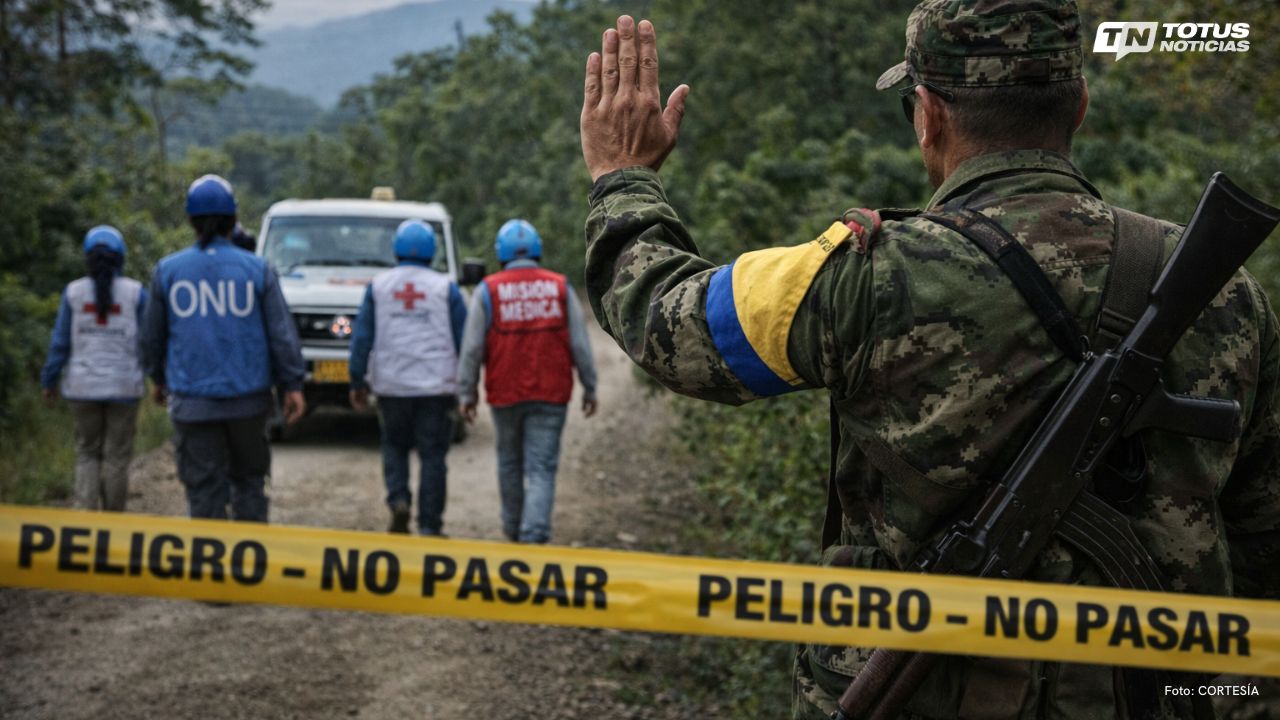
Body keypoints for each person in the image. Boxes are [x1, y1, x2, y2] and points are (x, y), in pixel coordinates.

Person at [579, 7, 1279, 720]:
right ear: (1080, 106)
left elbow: (664, 319)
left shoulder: (868, 276)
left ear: (929, 116)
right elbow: (1263, 542)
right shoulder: (1229, 294)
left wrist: (622, 177)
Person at [143, 174, 306, 522]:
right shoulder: (257, 269)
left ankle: (209, 554)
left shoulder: (168, 271)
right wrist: (292, 384)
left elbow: (153, 337)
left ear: (191, 220)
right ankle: (249, 553)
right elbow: (281, 334)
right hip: (249, 403)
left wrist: (158, 378)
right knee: (249, 484)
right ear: (233, 219)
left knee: (204, 491)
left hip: (192, 404)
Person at [457, 219, 599, 544]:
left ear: (500, 254)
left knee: (509, 462)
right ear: (537, 251)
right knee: (541, 467)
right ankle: (533, 535)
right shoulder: (559, 287)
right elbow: (580, 344)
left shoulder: (488, 291)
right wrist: (590, 386)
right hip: (551, 393)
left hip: (504, 393)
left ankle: (513, 527)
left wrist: (466, 393)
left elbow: (472, 348)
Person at [349, 219, 467, 535]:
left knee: (394, 446)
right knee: (433, 455)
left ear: (396, 249)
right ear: (432, 251)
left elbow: (362, 338)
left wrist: (357, 381)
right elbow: (464, 341)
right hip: (436, 387)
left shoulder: (378, 287)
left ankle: (399, 500)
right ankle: (430, 525)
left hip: (392, 385)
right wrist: (468, 386)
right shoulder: (446, 288)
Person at [40, 226, 148, 511]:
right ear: (121, 258)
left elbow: (60, 342)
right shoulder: (136, 293)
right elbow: (148, 342)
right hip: (124, 388)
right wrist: (159, 379)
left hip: (82, 388)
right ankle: (113, 520)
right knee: (117, 457)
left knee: (87, 453)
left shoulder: (73, 292)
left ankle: (85, 517)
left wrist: (49, 380)